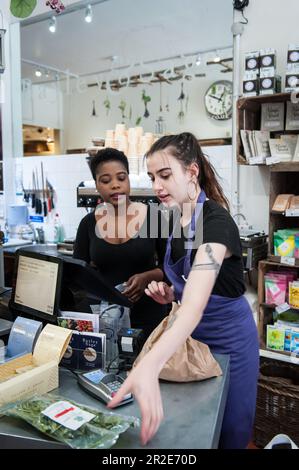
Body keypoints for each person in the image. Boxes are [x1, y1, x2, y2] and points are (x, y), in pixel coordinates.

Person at [108, 132, 259, 449]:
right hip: (188, 340)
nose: (157, 186)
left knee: (229, 431)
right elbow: (185, 290)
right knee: (194, 429)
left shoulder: (217, 224)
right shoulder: (170, 218)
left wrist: (149, 365)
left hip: (229, 344)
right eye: (152, 177)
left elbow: (194, 306)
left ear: (192, 172)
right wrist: (171, 294)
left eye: (165, 175)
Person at [73, 148, 168, 340]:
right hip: (107, 320)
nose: (115, 185)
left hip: (150, 316)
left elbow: (173, 267)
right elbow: (77, 274)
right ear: (97, 186)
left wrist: (148, 277)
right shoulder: (89, 223)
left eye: (121, 178)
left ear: (129, 180)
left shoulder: (154, 218)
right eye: (106, 181)